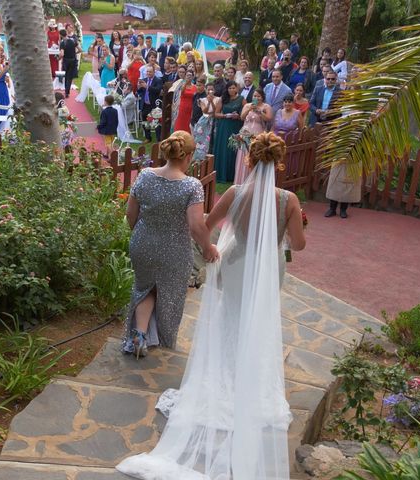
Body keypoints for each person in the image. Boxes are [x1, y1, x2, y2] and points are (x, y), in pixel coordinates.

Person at [116, 131, 306, 480]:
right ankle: (249, 378)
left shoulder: (236, 193)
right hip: (265, 271)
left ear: (250, 160)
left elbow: (206, 225)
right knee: (258, 320)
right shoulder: (289, 200)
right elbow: (299, 244)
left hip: (234, 266)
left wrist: (215, 245)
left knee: (229, 316)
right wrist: (293, 225)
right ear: (278, 162)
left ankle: (219, 372)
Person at [121, 131, 219, 357]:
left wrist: (143, 235)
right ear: (189, 155)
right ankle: (165, 346)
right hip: (174, 251)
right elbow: (196, 226)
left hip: (142, 244)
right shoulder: (191, 186)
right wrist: (207, 248)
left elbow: (130, 215)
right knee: (171, 297)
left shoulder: (145, 175)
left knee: (145, 288)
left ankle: (139, 336)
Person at [233, 88, 272, 184]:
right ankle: (241, 180)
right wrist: (249, 109)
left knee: (254, 156)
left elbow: (269, 119)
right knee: (243, 155)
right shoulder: (247, 105)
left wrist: (259, 111)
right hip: (245, 134)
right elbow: (242, 117)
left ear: (262, 97)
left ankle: (254, 181)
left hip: (258, 134)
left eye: (258, 96)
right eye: (255, 96)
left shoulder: (266, 107)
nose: (256, 98)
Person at [213, 80, 245, 183]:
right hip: (224, 126)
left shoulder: (242, 99)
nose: (232, 90)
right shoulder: (223, 99)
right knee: (224, 149)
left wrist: (238, 116)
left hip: (235, 126)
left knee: (233, 149)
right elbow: (216, 114)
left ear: (237, 88)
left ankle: (232, 175)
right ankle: (221, 174)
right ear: (227, 89)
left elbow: (245, 115)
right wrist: (225, 115)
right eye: (230, 88)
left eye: (233, 88)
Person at [192, 82, 219, 162]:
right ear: (206, 90)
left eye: (212, 89)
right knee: (201, 139)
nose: (210, 91)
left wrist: (212, 102)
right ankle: (199, 158)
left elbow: (215, 111)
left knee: (212, 139)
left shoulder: (218, 99)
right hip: (204, 120)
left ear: (214, 90)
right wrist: (209, 102)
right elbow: (204, 110)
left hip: (214, 120)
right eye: (208, 89)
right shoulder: (202, 100)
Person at [137, 65, 163, 142]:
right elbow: (140, 92)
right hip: (145, 104)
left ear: (154, 72)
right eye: (147, 71)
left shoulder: (158, 80)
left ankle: (159, 139)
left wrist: (147, 86)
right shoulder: (144, 80)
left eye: (150, 72)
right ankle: (148, 137)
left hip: (154, 105)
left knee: (156, 122)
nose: (148, 73)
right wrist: (139, 88)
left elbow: (157, 90)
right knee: (145, 121)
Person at [59, 28, 79, 98]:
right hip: (73, 60)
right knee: (70, 77)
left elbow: (62, 54)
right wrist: (74, 53)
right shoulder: (73, 41)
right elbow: (80, 49)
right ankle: (67, 92)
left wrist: (58, 58)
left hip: (66, 61)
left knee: (66, 76)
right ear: (66, 34)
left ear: (61, 35)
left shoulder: (62, 43)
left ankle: (66, 91)